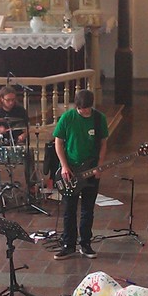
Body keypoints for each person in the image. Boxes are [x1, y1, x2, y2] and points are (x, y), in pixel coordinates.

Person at [52, 89, 107, 260]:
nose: (85, 112)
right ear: (76, 106)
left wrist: (99, 165)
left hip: (90, 168)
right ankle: (69, 244)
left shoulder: (99, 119)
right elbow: (58, 142)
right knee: (69, 209)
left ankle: (85, 243)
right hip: (71, 170)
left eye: (88, 108)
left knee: (88, 209)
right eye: (82, 109)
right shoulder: (67, 118)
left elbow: (103, 143)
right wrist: (64, 166)